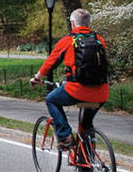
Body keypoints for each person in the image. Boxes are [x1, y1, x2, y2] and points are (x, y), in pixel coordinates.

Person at [30, 8, 109, 148]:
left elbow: (49, 64)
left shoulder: (68, 41)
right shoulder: (99, 40)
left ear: (73, 24)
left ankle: (65, 135)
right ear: (88, 23)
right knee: (86, 124)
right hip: (101, 92)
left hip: (77, 90)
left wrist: (37, 78)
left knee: (51, 100)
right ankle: (87, 162)